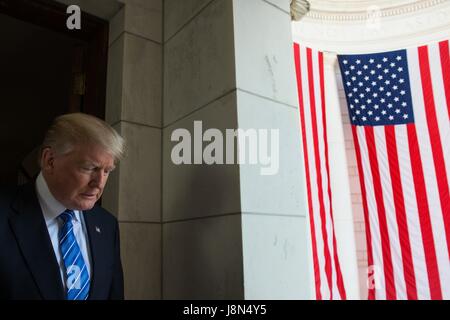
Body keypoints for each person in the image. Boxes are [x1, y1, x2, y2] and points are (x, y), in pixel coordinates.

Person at [0, 113, 125, 300]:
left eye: (107, 171)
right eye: (89, 168)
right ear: (50, 160)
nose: (99, 183)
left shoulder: (107, 225)